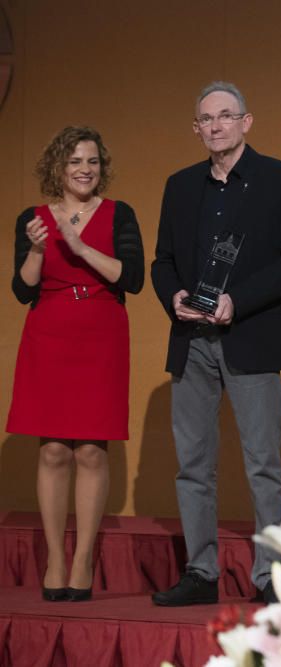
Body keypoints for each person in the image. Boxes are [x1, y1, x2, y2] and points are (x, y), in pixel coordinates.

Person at [150, 81, 281, 606]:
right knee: (192, 463)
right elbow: (161, 261)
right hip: (191, 338)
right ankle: (201, 573)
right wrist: (172, 294)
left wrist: (236, 301)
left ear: (247, 122)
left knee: (263, 463)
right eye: (206, 119)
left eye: (225, 116)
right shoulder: (179, 185)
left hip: (250, 336)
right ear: (196, 128)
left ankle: (271, 577)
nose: (215, 126)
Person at [7, 126, 144, 602]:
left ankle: (83, 559)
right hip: (49, 333)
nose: (85, 170)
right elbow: (23, 289)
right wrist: (41, 248)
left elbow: (132, 278)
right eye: (75, 162)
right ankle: (55, 559)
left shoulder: (119, 214)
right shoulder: (34, 218)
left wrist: (80, 244)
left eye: (92, 162)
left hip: (101, 332)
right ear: (58, 169)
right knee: (53, 451)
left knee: (90, 449)